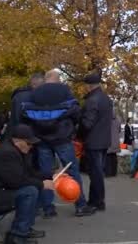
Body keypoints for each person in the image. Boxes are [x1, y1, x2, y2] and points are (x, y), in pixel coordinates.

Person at [22, 69, 92, 217]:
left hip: (41, 139)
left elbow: (26, 114)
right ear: (57, 79)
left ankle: (48, 208)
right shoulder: (64, 90)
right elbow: (75, 111)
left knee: (46, 173)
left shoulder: (35, 93)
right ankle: (80, 205)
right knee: (72, 170)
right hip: (62, 137)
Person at [0, 125, 54, 244]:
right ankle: (17, 236)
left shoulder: (16, 151)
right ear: (17, 141)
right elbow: (16, 181)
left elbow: (30, 173)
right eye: (29, 143)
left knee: (34, 188)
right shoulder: (7, 153)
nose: (31, 147)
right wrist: (42, 184)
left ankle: (25, 228)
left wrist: (51, 175)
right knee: (30, 191)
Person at [79, 71, 113, 212]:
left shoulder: (92, 100)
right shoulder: (106, 99)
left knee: (95, 173)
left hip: (93, 141)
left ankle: (96, 202)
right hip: (104, 140)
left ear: (88, 86)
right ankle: (96, 201)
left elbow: (87, 123)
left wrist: (78, 130)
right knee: (97, 171)